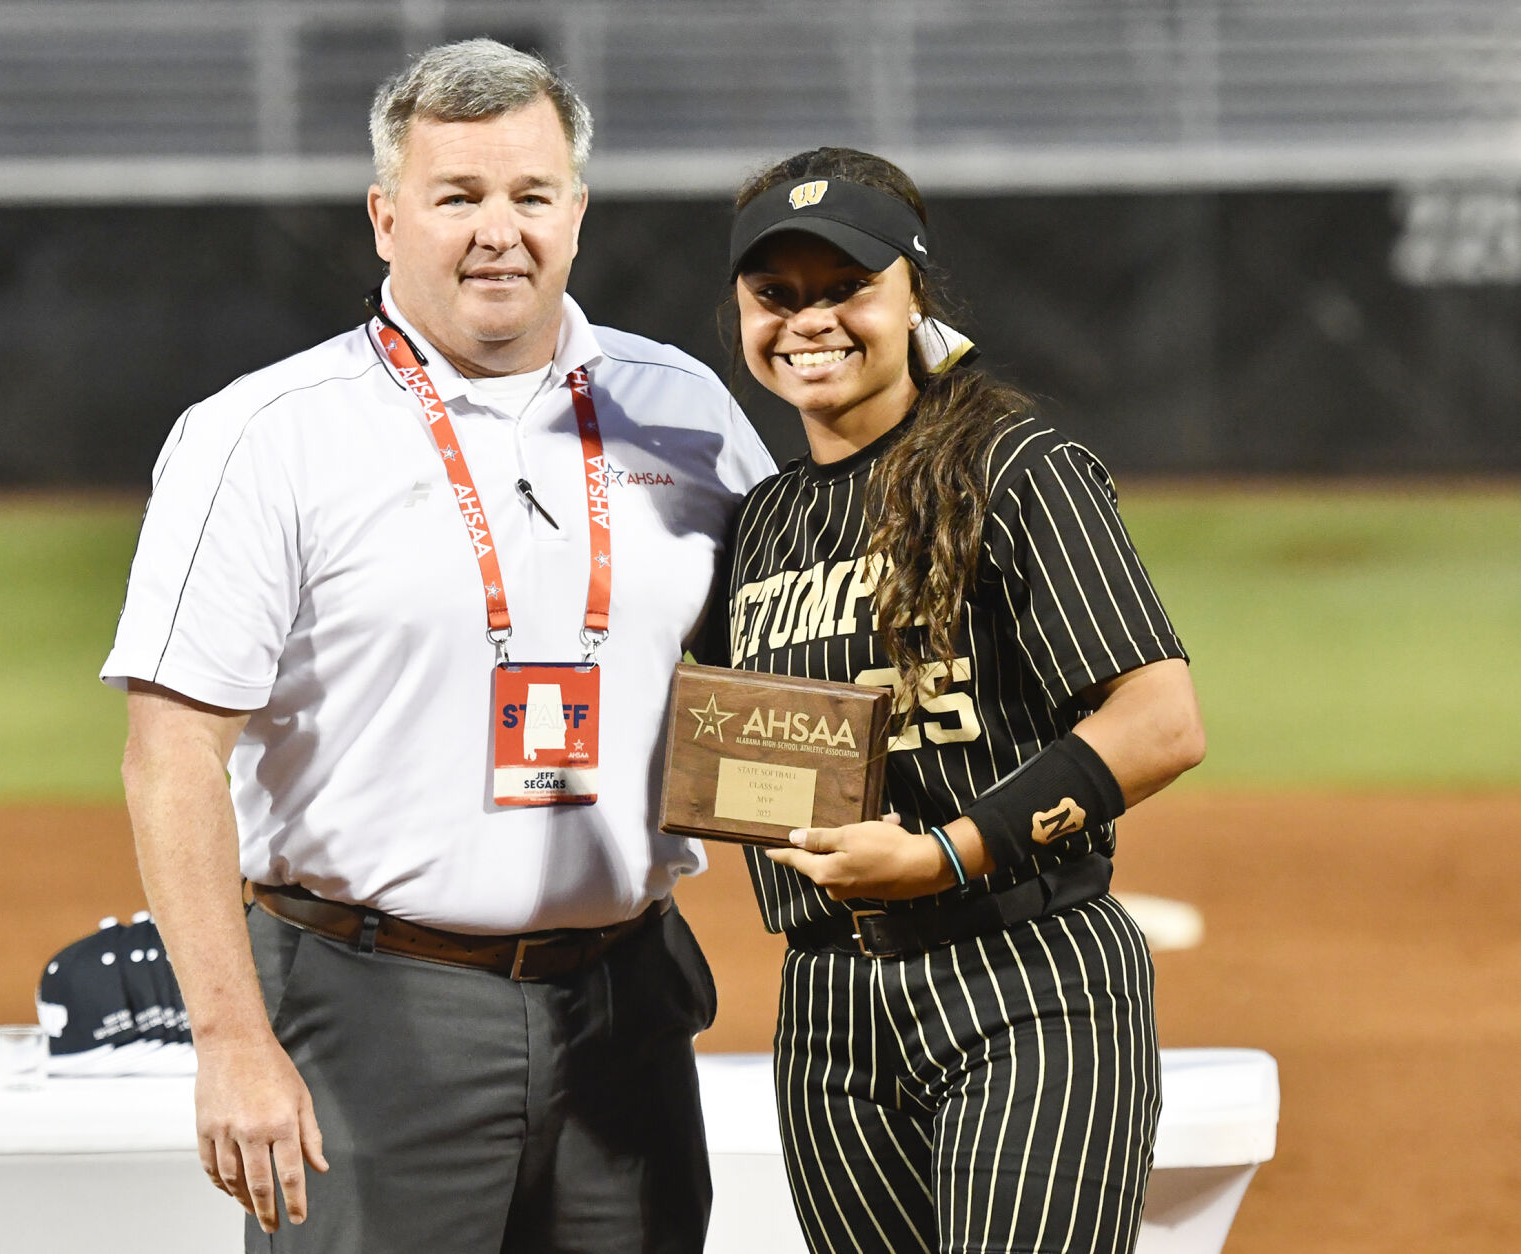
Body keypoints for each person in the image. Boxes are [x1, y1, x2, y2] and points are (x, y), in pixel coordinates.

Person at [103, 39, 774, 1254]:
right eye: (456, 196)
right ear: (384, 216)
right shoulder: (265, 434)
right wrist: (233, 1044)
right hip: (369, 1015)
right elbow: (172, 753)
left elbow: (787, 661)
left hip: (625, 1008)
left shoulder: (682, 405)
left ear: (575, 211)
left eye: (529, 194)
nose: (497, 232)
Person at [710, 147, 1206, 1254]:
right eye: (776, 295)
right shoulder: (757, 524)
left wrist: (942, 855)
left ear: (913, 292)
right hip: (830, 1013)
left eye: (846, 287)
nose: (810, 321)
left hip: (1027, 982)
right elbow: (728, 754)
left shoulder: (1018, 466)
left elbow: (1159, 721)